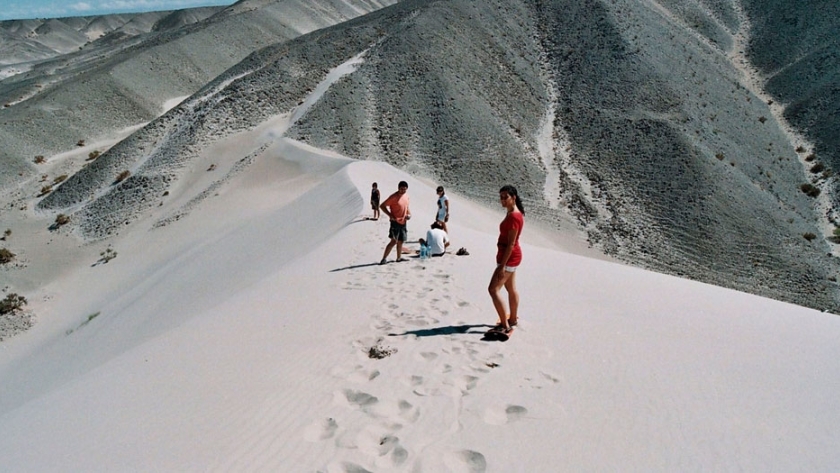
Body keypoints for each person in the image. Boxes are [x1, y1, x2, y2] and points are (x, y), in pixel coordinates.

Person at [487, 185, 524, 335]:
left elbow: (511, 244)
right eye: (501, 197)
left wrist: (501, 266)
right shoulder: (513, 213)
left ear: (513, 197)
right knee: (510, 288)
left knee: (493, 290)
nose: (502, 200)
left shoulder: (514, 216)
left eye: (505, 197)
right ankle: (513, 319)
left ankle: (504, 325)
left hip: (508, 258)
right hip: (510, 256)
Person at [380, 181, 411, 264]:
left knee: (401, 241)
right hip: (395, 222)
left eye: (404, 189)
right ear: (398, 188)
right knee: (393, 241)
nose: (403, 191)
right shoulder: (393, 197)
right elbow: (382, 206)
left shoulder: (406, 196)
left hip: (403, 222)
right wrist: (390, 215)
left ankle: (399, 258)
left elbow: (407, 207)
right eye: (401, 189)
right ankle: (384, 259)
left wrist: (409, 214)